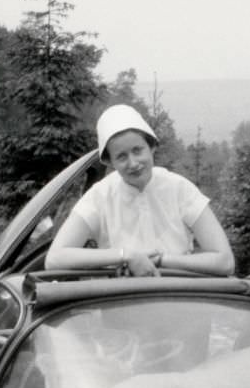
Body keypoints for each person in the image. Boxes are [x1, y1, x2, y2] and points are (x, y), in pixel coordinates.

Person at [45, 104, 235, 276]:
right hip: (121, 303)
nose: (133, 163)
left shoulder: (179, 188)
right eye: (121, 157)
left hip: (180, 298)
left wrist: (161, 260)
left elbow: (225, 261)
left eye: (137, 150)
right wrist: (126, 256)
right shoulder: (100, 195)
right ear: (110, 162)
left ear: (151, 147)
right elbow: (54, 259)